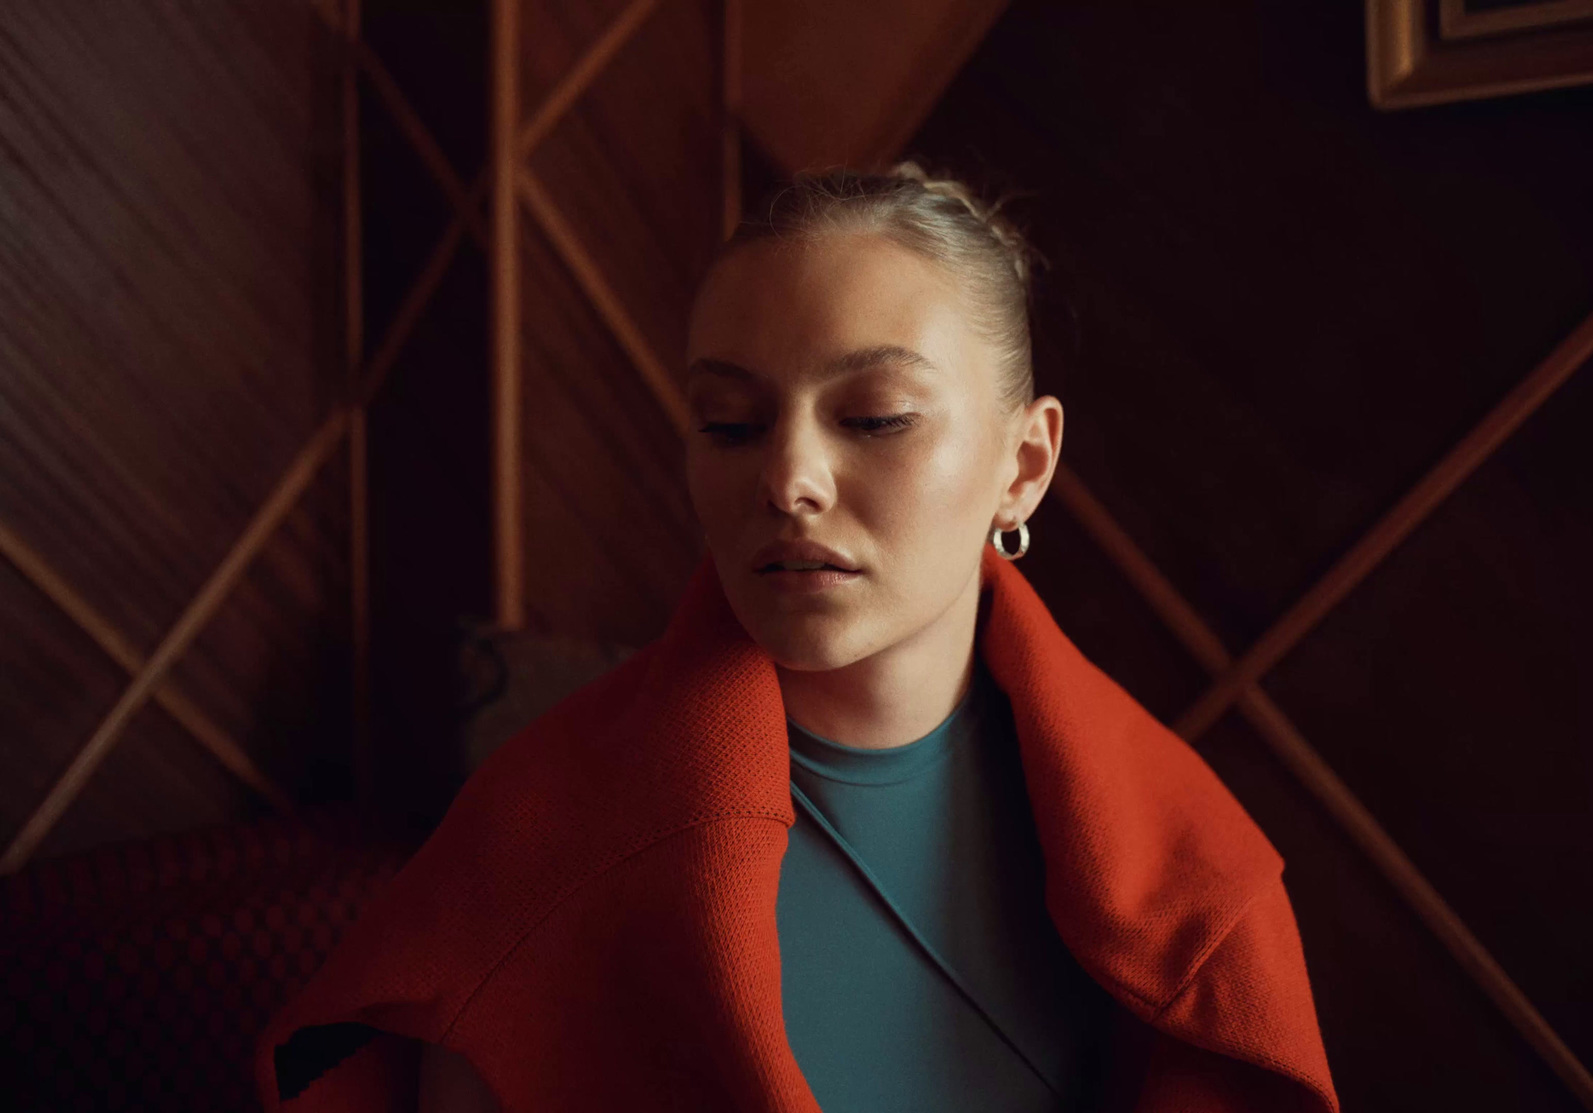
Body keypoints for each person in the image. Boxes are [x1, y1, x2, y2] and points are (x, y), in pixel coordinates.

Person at [255, 165, 1338, 1112]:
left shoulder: (1180, 851)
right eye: (729, 424)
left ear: (1024, 463)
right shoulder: (544, 831)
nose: (786, 481)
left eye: (873, 418)